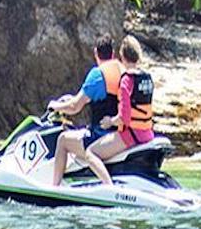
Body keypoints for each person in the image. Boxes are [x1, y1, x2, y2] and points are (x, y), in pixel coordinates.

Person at [80, 34, 156, 186]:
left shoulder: (126, 81)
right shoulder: (147, 77)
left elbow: (124, 118)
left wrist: (110, 122)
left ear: (122, 55)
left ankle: (109, 187)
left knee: (91, 153)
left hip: (131, 135)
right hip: (147, 133)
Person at [49, 35, 122, 186]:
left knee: (63, 140)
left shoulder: (97, 76)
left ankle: (54, 188)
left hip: (101, 135)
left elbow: (74, 106)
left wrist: (56, 106)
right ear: (113, 54)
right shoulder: (122, 71)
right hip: (119, 135)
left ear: (96, 53)